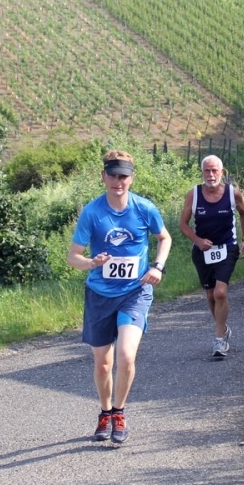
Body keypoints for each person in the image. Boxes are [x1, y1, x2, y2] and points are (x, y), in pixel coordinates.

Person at [68, 150, 172, 444]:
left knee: (126, 355)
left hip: (135, 293)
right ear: (103, 177)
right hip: (100, 294)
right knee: (103, 362)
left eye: (123, 176)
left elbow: (165, 237)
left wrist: (157, 266)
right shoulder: (92, 212)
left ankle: (119, 412)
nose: (118, 182)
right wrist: (90, 263)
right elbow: (73, 256)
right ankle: (104, 412)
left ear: (131, 178)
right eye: (112, 176)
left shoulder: (143, 208)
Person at [178, 155, 244, 358]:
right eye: (207, 171)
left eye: (215, 171)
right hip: (203, 251)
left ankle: (219, 340)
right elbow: (183, 224)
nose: (211, 175)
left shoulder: (232, 193)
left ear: (222, 172)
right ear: (202, 173)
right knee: (210, 295)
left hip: (227, 248)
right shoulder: (193, 195)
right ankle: (223, 328)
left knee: (220, 292)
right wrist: (197, 240)